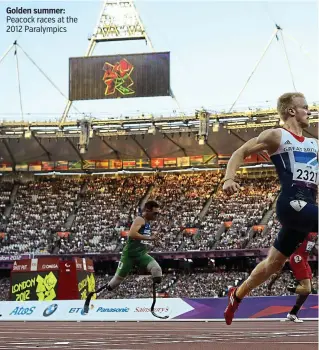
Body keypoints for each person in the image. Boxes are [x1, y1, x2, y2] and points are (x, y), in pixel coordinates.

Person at [222, 92, 318, 325]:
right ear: (291, 111)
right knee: (273, 263)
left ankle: (237, 294)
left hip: (307, 208)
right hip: (291, 205)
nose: (310, 111)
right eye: (305, 107)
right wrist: (228, 178)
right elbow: (240, 152)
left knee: (273, 263)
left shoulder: (315, 144)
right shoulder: (277, 136)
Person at [104, 200, 163, 294]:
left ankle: (154, 296)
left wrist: (153, 241)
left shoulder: (147, 222)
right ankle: (99, 294)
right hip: (129, 256)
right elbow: (131, 234)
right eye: (155, 213)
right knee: (115, 282)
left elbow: (142, 239)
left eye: (158, 213)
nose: (156, 216)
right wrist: (150, 238)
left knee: (157, 270)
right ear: (147, 210)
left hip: (141, 254)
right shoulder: (140, 219)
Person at [268, 232, 318, 323]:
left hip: (304, 260)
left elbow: (313, 249)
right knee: (306, 289)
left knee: (307, 290)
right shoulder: (305, 230)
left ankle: (292, 313)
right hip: (297, 258)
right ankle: (290, 285)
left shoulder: (314, 234)